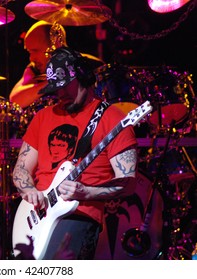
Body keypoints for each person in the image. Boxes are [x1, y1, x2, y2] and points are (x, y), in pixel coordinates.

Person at [12, 46, 138, 259]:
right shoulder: (43, 117)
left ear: (84, 77)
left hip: (80, 216)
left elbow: (128, 182)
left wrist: (86, 192)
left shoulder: (113, 119)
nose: (60, 94)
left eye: (65, 87)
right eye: (55, 89)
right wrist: (29, 190)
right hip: (35, 215)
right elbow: (21, 169)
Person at [9, 21, 67, 109]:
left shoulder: (79, 66)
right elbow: (15, 100)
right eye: (29, 52)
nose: (31, 58)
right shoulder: (35, 69)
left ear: (55, 45)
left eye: (35, 51)